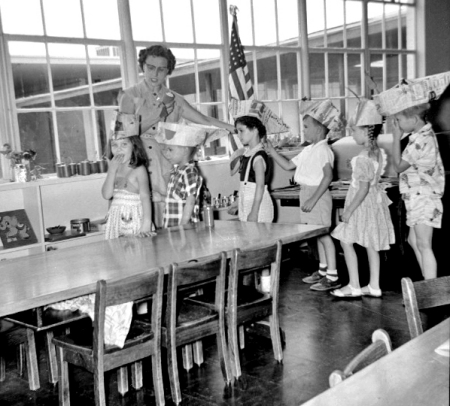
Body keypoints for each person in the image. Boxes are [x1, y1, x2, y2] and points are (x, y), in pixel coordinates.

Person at [119, 45, 235, 227]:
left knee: (171, 224)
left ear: (168, 71)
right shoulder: (129, 95)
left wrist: (232, 127)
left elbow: (203, 119)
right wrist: (157, 115)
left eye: (161, 69)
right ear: (142, 66)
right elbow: (127, 134)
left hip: (166, 166)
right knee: (142, 226)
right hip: (139, 166)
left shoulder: (173, 98)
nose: (154, 74)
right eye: (150, 67)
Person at [265, 100, 344, 292]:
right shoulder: (309, 149)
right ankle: (323, 271)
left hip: (317, 196)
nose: (304, 131)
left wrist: (313, 199)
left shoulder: (324, 150)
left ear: (319, 130)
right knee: (316, 236)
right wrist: (272, 151)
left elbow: (328, 177)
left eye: (307, 127)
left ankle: (333, 276)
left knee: (324, 236)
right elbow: (288, 166)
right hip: (307, 193)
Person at [330, 100, 395, 298]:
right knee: (370, 244)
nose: (352, 134)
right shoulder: (377, 153)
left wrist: (348, 210)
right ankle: (374, 286)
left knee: (345, 241)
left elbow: (363, 187)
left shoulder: (363, 156)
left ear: (366, 131)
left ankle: (354, 285)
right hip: (374, 205)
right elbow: (370, 181)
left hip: (360, 205)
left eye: (354, 130)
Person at [391, 103, 445, 280]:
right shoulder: (419, 136)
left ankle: (432, 292)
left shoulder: (421, 140)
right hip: (416, 197)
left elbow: (398, 166)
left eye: (399, 120)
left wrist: (395, 138)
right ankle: (427, 288)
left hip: (424, 198)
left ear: (413, 119)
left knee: (423, 244)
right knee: (414, 241)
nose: (397, 124)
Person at [102, 113, 154, 239]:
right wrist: (111, 171)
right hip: (116, 221)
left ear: (134, 146)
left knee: (137, 254)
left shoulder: (139, 170)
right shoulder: (115, 168)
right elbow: (107, 195)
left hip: (135, 219)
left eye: (124, 144)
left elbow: (146, 197)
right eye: (114, 145)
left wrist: (146, 224)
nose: (118, 149)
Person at [155, 122, 205, 228]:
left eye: (170, 149)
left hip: (185, 229)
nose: (166, 153)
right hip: (173, 227)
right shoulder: (177, 171)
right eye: (165, 150)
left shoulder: (189, 172)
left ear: (185, 150)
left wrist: (183, 226)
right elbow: (178, 199)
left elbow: (190, 202)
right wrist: (161, 198)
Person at [233, 115, 274, 222]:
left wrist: (254, 213)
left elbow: (259, 187)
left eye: (241, 130)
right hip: (247, 205)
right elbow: (244, 185)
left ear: (255, 130)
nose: (238, 135)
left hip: (258, 208)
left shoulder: (258, 157)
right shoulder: (247, 154)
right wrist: (237, 203)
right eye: (237, 131)